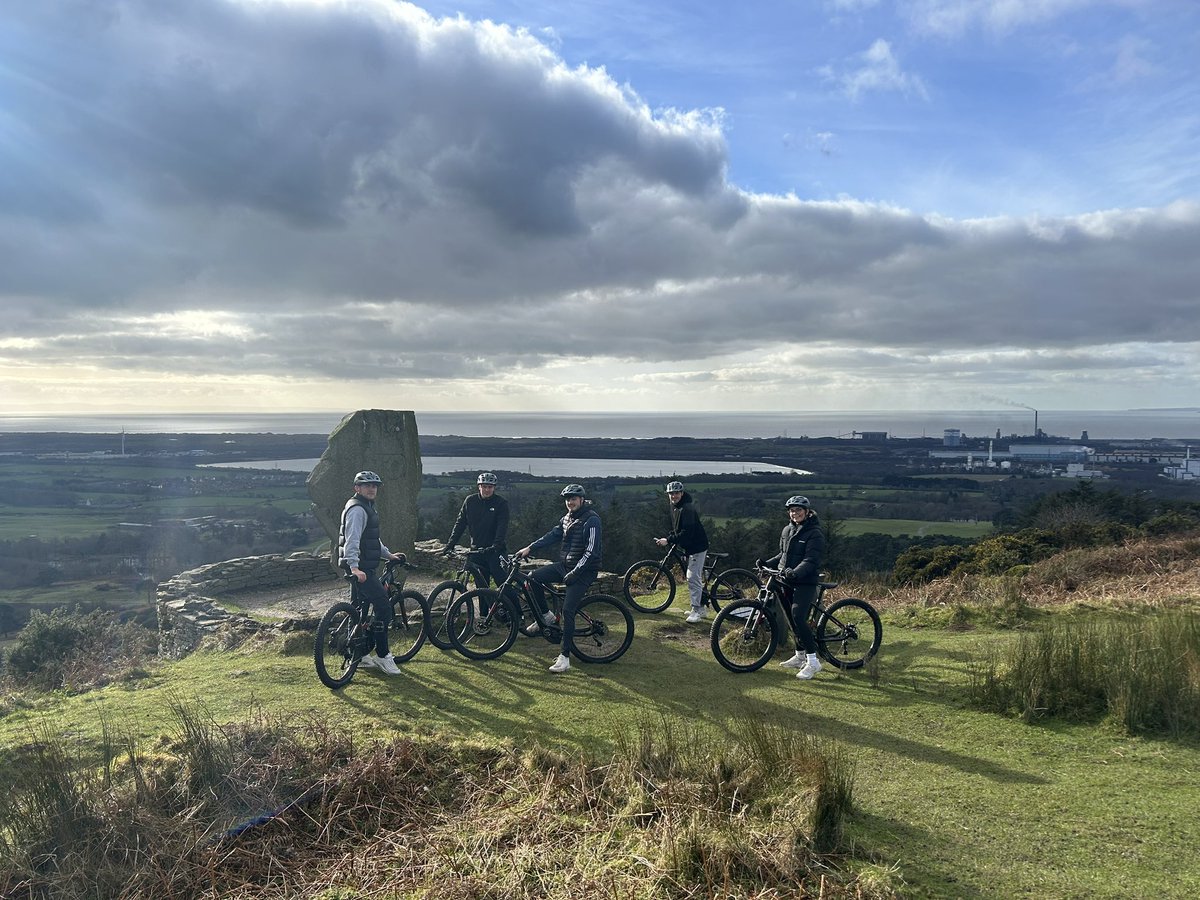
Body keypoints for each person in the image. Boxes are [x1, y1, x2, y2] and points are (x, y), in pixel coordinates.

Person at [515, 483, 602, 674]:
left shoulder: (592, 520)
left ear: (581, 499)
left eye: (573, 499)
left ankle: (565, 658)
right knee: (532, 579)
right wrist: (530, 548)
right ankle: (546, 616)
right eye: (568, 499)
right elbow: (552, 535)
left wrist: (575, 572)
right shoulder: (567, 518)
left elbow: (592, 552)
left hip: (584, 571)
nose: (570, 502)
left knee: (568, 610)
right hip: (565, 566)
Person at [337, 470, 407, 676]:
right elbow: (352, 540)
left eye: (374, 485)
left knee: (358, 609)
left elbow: (372, 539)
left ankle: (358, 654)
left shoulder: (366, 507)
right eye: (367, 485)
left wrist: (388, 554)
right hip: (361, 568)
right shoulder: (358, 510)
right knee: (384, 609)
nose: (371, 488)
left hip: (361, 567)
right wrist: (355, 567)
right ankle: (383, 655)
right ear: (356, 488)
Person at [757, 495, 826, 680]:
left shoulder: (814, 533)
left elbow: (811, 560)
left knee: (798, 617)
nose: (795, 513)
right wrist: (766, 563)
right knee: (789, 618)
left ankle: (813, 662)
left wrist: (795, 572)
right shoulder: (787, 530)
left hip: (805, 581)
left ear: (807, 511)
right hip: (786, 579)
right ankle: (799, 655)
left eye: (799, 510)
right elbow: (783, 554)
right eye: (792, 510)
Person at [442, 472, 510, 589]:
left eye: (490, 487)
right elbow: (460, 524)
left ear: (494, 488)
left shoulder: (501, 503)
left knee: (503, 585)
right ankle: (485, 608)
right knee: (481, 589)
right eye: (484, 486)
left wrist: (496, 545)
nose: (487, 490)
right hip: (476, 552)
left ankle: (512, 607)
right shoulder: (470, 501)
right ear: (479, 486)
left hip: (495, 552)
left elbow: (502, 527)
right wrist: (450, 545)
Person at [654, 480, 710, 623]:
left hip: (697, 547)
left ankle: (696, 611)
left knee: (692, 577)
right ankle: (701, 609)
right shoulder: (676, 507)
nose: (674, 496)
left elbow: (687, 532)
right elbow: (678, 529)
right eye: (671, 493)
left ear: (682, 493)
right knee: (694, 576)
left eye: (676, 493)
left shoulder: (687, 508)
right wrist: (670, 536)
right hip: (690, 547)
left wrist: (669, 539)